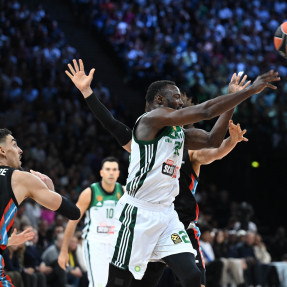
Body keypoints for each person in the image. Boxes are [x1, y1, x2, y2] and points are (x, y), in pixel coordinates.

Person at [65, 59, 279, 287]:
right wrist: (250, 90)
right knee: (119, 283)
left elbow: (213, 140)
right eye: (175, 97)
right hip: (137, 213)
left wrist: (231, 103)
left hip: (167, 216)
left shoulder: (179, 133)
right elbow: (206, 111)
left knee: (193, 276)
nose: (180, 102)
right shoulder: (150, 120)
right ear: (159, 100)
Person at [0, 128, 81, 286]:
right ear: (2, 150)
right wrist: (50, 190)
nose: (20, 150)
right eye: (15, 145)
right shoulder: (20, 178)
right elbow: (73, 212)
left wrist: (5, 241)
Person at [58, 157, 124, 287]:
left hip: (116, 244)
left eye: (114, 170)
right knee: (98, 284)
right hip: (95, 243)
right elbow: (72, 221)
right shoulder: (90, 193)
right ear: (101, 173)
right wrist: (64, 250)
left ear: (118, 173)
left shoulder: (123, 192)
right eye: (108, 169)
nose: (111, 173)